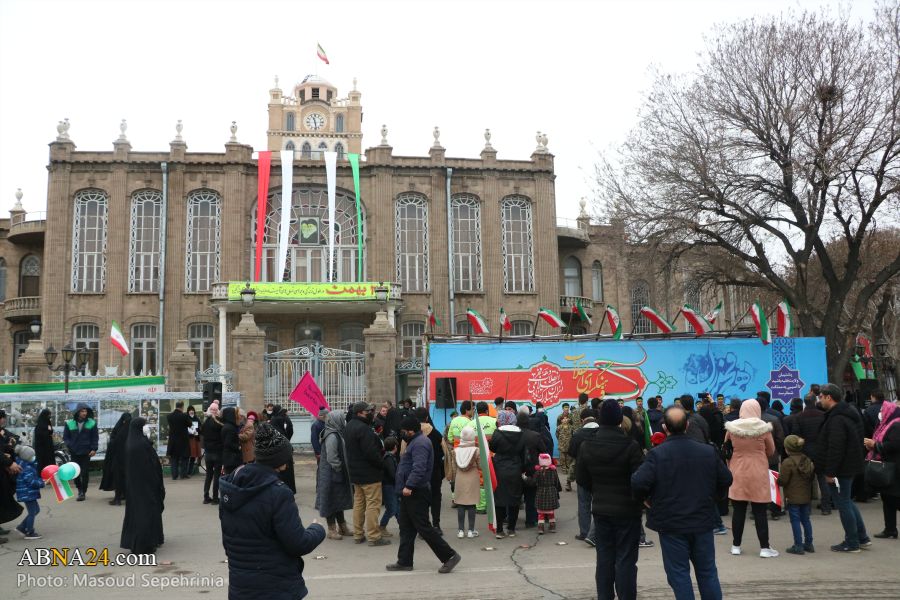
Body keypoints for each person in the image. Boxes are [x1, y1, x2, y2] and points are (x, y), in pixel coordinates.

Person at [632, 406, 732, 600]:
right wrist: (712, 497)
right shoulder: (707, 451)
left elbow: (638, 482)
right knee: (707, 572)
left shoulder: (657, 454)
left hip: (671, 524)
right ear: (687, 425)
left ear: (664, 427)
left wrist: (646, 501)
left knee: (679, 574)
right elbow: (726, 479)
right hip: (702, 520)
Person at [219, 422, 326, 600]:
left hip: (240, 587)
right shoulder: (279, 493)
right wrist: (317, 530)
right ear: (281, 461)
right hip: (275, 588)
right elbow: (297, 543)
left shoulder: (231, 487)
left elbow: (228, 543)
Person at [577, 400, 643, 600]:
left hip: (601, 510)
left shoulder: (587, 445)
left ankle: (604, 596)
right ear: (619, 419)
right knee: (626, 560)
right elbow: (640, 479)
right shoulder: (630, 446)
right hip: (628, 511)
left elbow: (582, 479)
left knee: (604, 558)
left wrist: (598, 489)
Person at [386, 416, 461, 573]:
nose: (402, 434)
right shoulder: (415, 441)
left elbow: (419, 468)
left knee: (424, 528)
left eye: (404, 432)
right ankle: (404, 561)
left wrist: (409, 485)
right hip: (410, 492)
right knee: (406, 528)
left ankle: (449, 556)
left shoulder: (420, 444)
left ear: (411, 431)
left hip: (416, 492)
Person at [811, 383, 870, 552]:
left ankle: (852, 542)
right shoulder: (847, 413)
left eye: (821, 396)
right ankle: (862, 537)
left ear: (829, 397)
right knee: (847, 502)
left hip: (840, 469)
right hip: (849, 466)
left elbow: (836, 447)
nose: (819, 399)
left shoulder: (837, 418)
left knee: (843, 503)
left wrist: (830, 472)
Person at [724, 398, 778, 557]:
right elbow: (771, 451)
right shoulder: (764, 429)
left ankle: (736, 546)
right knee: (760, 511)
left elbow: (727, 449)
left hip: (737, 471)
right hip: (758, 471)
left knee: (738, 510)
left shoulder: (731, 428)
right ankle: (764, 548)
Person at [345, 401, 388, 546]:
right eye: (368, 411)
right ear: (359, 413)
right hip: (369, 474)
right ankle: (373, 536)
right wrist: (382, 465)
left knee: (359, 503)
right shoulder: (364, 429)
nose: (371, 413)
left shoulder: (349, 426)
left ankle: (358, 534)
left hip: (355, 473)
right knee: (373, 505)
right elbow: (371, 453)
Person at [120, 417, 165, 555]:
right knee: (145, 513)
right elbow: (149, 466)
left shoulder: (134, 441)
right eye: (144, 425)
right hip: (145, 485)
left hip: (137, 485)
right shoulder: (140, 444)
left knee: (139, 512)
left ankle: (149, 540)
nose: (147, 427)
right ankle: (144, 545)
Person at [864, 399, 900, 539]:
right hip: (889, 466)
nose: (880, 412)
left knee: (893, 498)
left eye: (881, 410)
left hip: (895, 467)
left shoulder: (896, 425)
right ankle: (890, 529)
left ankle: (890, 529)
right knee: (887, 498)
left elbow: (894, 445)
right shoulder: (885, 425)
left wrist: (876, 445)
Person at [315, 410, 353, 540]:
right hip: (331, 474)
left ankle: (343, 527)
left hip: (334, 473)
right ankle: (332, 530)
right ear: (336, 420)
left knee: (338, 500)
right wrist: (339, 468)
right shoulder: (331, 436)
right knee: (330, 500)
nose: (344, 421)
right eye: (342, 418)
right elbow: (332, 457)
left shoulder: (336, 433)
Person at [489, 410, 526, 538]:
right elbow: (523, 452)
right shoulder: (520, 433)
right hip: (515, 468)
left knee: (499, 500)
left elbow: (492, 448)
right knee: (514, 499)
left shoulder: (497, 432)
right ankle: (511, 529)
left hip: (499, 468)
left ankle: (499, 530)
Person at [793, 394, 830, 514]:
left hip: (805, 452)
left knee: (806, 480)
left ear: (804, 402)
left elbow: (796, 436)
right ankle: (826, 508)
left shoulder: (799, 417)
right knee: (822, 480)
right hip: (821, 452)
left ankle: (806, 508)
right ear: (815, 401)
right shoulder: (823, 416)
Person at [779, 435, 815, 554]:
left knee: (795, 520)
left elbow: (783, 481)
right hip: (806, 495)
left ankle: (798, 545)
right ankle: (809, 544)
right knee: (806, 519)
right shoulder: (807, 460)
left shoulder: (787, 463)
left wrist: (777, 480)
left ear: (787, 449)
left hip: (793, 496)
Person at [570, 408, 600, 544]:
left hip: (583, 474)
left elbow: (571, 452)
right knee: (600, 504)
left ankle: (585, 532)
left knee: (584, 504)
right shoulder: (603, 432)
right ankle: (599, 532)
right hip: (601, 474)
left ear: (582, 420)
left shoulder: (578, 434)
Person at [415, 407, 446, 535]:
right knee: (435, 497)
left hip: (417, 472)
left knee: (420, 499)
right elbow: (445, 453)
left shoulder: (412, 434)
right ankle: (436, 525)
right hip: (434, 471)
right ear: (427, 418)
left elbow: (403, 453)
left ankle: (423, 527)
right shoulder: (437, 434)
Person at [63, 402, 99, 501]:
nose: (84, 413)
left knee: (85, 473)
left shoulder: (92, 423)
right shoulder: (69, 423)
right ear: (78, 412)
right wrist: (70, 446)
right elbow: (66, 438)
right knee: (76, 473)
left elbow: (95, 437)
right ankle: (79, 489)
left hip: (86, 452)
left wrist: (94, 448)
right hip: (74, 452)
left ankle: (83, 491)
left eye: (86, 411)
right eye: (82, 411)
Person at [518, 409, 545, 528]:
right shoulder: (535, 435)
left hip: (516, 469)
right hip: (532, 470)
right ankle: (530, 520)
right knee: (531, 497)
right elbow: (544, 452)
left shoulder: (513, 435)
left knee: (514, 496)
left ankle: (510, 520)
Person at [453, 426, 480, 539]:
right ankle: (471, 530)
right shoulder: (476, 450)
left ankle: (460, 530)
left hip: (460, 477)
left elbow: (454, 467)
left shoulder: (455, 450)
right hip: (472, 476)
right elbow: (481, 466)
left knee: (461, 504)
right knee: (471, 504)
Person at [100, 412, 131, 505]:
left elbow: (113, 443)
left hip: (117, 459)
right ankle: (124, 496)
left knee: (118, 478)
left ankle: (118, 498)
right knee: (126, 478)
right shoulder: (131, 431)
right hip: (128, 460)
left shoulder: (119, 430)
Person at [14, 445, 45, 540]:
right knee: (33, 512)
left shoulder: (26, 465)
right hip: (27, 493)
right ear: (27, 457)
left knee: (36, 510)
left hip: (28, 493)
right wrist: (42, 483)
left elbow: (33, 478)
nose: (34, 457)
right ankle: (29, 531)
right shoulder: (26, 468)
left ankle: (22, 527)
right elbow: (31, 482)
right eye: (32, 456)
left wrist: (41, 480)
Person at [269, 407, 296, 493]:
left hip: (277, 450)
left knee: (280, 471)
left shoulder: (273, 420)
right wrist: (287, 438)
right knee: (288, 471)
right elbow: (290, 430)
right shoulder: (285, 418)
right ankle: (290, 489)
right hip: (286, 447)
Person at [201, 403, 224, 504]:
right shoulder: (219, 422)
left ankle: (206, 497)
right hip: (217, 451)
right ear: (217, 410)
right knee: (217, 475)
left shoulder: (205, 422)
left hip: (208, 452)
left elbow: (202, 434)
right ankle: (215, 498)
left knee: (209, 475)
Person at [533, 453, 561, 534]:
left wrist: (525, 478)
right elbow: (556, 482)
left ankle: (541, 528)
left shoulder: (538, 472)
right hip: (551, 492)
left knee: (541, 512)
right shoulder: (553, 471)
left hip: (541, 492)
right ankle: (552, 526)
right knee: (551, 511)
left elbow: (534, 482)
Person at [380, 436, 400, 538]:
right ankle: (382, 527)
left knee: (397, 508)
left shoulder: (389, 457)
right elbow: (393, 474)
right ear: (395, 447)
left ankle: (403, 527)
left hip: (391, 486)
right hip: (389, 486)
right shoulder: (389, 458)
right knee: (391, 509)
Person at [166, 401, 191, 480]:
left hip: (173, 440)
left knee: (174, 458)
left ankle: (174, 475)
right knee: (184, 457)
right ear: (182, 407)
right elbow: (189, 424)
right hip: (183, 440)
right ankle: (183, 474)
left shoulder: (169, 416)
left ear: (175, 406)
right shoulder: (184, 416)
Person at [221, 407, 243, 475]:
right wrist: (238, 447)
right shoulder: (230, 428)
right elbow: (228, 443)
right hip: (232, 459)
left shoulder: (226, 426)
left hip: (229, 458)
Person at [32, 408, 55, 473]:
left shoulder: (48, 423)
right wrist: (48, 433)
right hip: (41, 448)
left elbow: (50, 431)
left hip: (49, 447)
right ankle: (42, 475)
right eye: (48, 415)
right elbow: (41, 435)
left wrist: (49, 432)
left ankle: (50, 474)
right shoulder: (39, 425)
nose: (49, 417)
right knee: (42, 462)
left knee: (49, 461)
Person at [556, 410, 574, 489]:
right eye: (564, 418)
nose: (565, 419)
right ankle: (564, 469)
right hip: (562, 445)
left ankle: (568, 468)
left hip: (569, 445)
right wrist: (561, 441)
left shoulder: (571, 427)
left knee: (569, 458)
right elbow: (557, 435)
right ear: (561, 420)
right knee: (562, 458)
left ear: (569, 419)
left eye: (567, 418)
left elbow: (573, 435)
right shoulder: (559, 427)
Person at [186, 405, 202, 475]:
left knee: (193, 456)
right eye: (190, 410)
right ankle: (186, 471)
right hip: (188, 439)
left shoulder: (197, 418)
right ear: (188, 411)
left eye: (192, 410)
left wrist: (198, 430)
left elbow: (200, 427)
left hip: (195, 438)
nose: (191, 411)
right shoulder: (186, 418)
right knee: (187, 456)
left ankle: (190, 472)